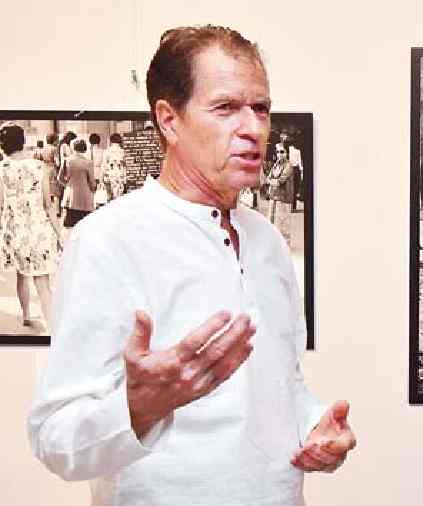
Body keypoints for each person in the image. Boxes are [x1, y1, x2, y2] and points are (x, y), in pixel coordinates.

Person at [28, 25, 356, 506]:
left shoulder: (265, 240)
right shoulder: (108, 239)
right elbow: (54, 439)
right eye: (226, 108)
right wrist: (137, 410)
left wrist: (314, 425)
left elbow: (280, 385)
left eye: (261, 108)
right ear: (169, 119)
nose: (254, 128)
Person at [0, 124, 62, 330]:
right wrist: (59, 232)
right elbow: (48, 204)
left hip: (15, 231)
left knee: (21, 274)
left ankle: (26, 314)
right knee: (43, 282)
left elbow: (1, 206)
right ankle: (52, 325)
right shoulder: (38, 167)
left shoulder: (2, 170)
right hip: (39, 231)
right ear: (23, 142)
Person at [60, 139, 97, 228]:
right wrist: (94, 189)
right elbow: (92, 182)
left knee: (69, 226)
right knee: (85, 226)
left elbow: (60, 177)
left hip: (70, 197)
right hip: (85, 199)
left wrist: (68, 185)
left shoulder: (67, 160)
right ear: (85, 149)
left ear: (73, 148)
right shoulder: (88, 162)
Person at [266, 142, 293, 224]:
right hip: (273, 197)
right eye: (277, 152)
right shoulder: (276, 164)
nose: (279, 154)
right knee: (271, 224)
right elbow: (268, 178)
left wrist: (271, 181)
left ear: (286, 153)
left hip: (283, 199)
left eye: (282, 152)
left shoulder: (288, 165)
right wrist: (271, 181)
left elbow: (280, 181)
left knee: (281, 227)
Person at [100, 132, 126, 201]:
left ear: (111, 141)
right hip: (120, 176)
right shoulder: (123, 152)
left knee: (109, 197)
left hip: (109, 176)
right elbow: (125, 166)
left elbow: (104, 165)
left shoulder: (107, 151)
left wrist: (101, 178)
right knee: (119, 197)